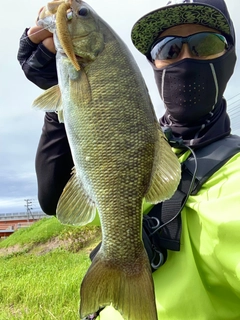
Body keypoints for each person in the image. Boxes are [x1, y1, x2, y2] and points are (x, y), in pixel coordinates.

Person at [17, 0, 240, 319]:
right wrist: (58, 103)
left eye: (205, 44)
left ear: (229, 57)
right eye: (169, 48)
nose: (185, 58)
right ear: (154, 63)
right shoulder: (150, 144)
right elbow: (53, 200)